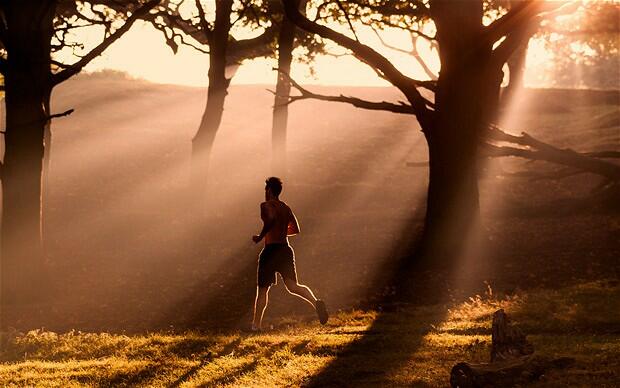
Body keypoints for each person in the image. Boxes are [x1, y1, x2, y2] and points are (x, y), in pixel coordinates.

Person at [251, 177, 328, 331]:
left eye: (266, 190)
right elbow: (295, 229)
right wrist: (281, 232)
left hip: (271, 250)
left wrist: (261, 236)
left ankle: (256, 326)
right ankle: (316, 302)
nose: (265, 192)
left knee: (263, 289)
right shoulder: (286, 208)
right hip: (285, 249)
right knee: (293, 286)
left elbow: (271, 219)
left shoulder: (266, 205)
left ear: (270, 190)